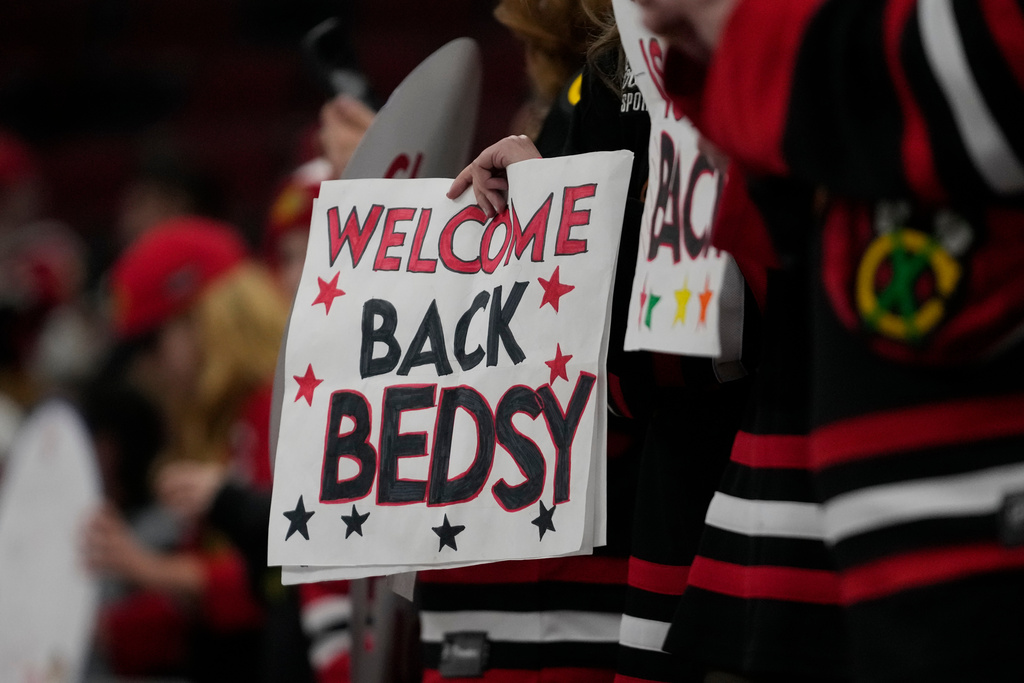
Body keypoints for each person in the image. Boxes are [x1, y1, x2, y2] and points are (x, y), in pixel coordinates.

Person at [634, 1, 1024, 682]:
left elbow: (996, 70)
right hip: (905, 550)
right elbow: (792, 237)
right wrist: (719, 55)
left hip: (983, 537)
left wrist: (744, 27)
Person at [85, 215, 290, 682]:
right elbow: (204, 606)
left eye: (154, 343)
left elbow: (277, 575)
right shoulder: (222, 424)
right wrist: (112, 628)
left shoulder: (271, 412)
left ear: (206, 320)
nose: (150, 370)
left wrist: (148, 567)